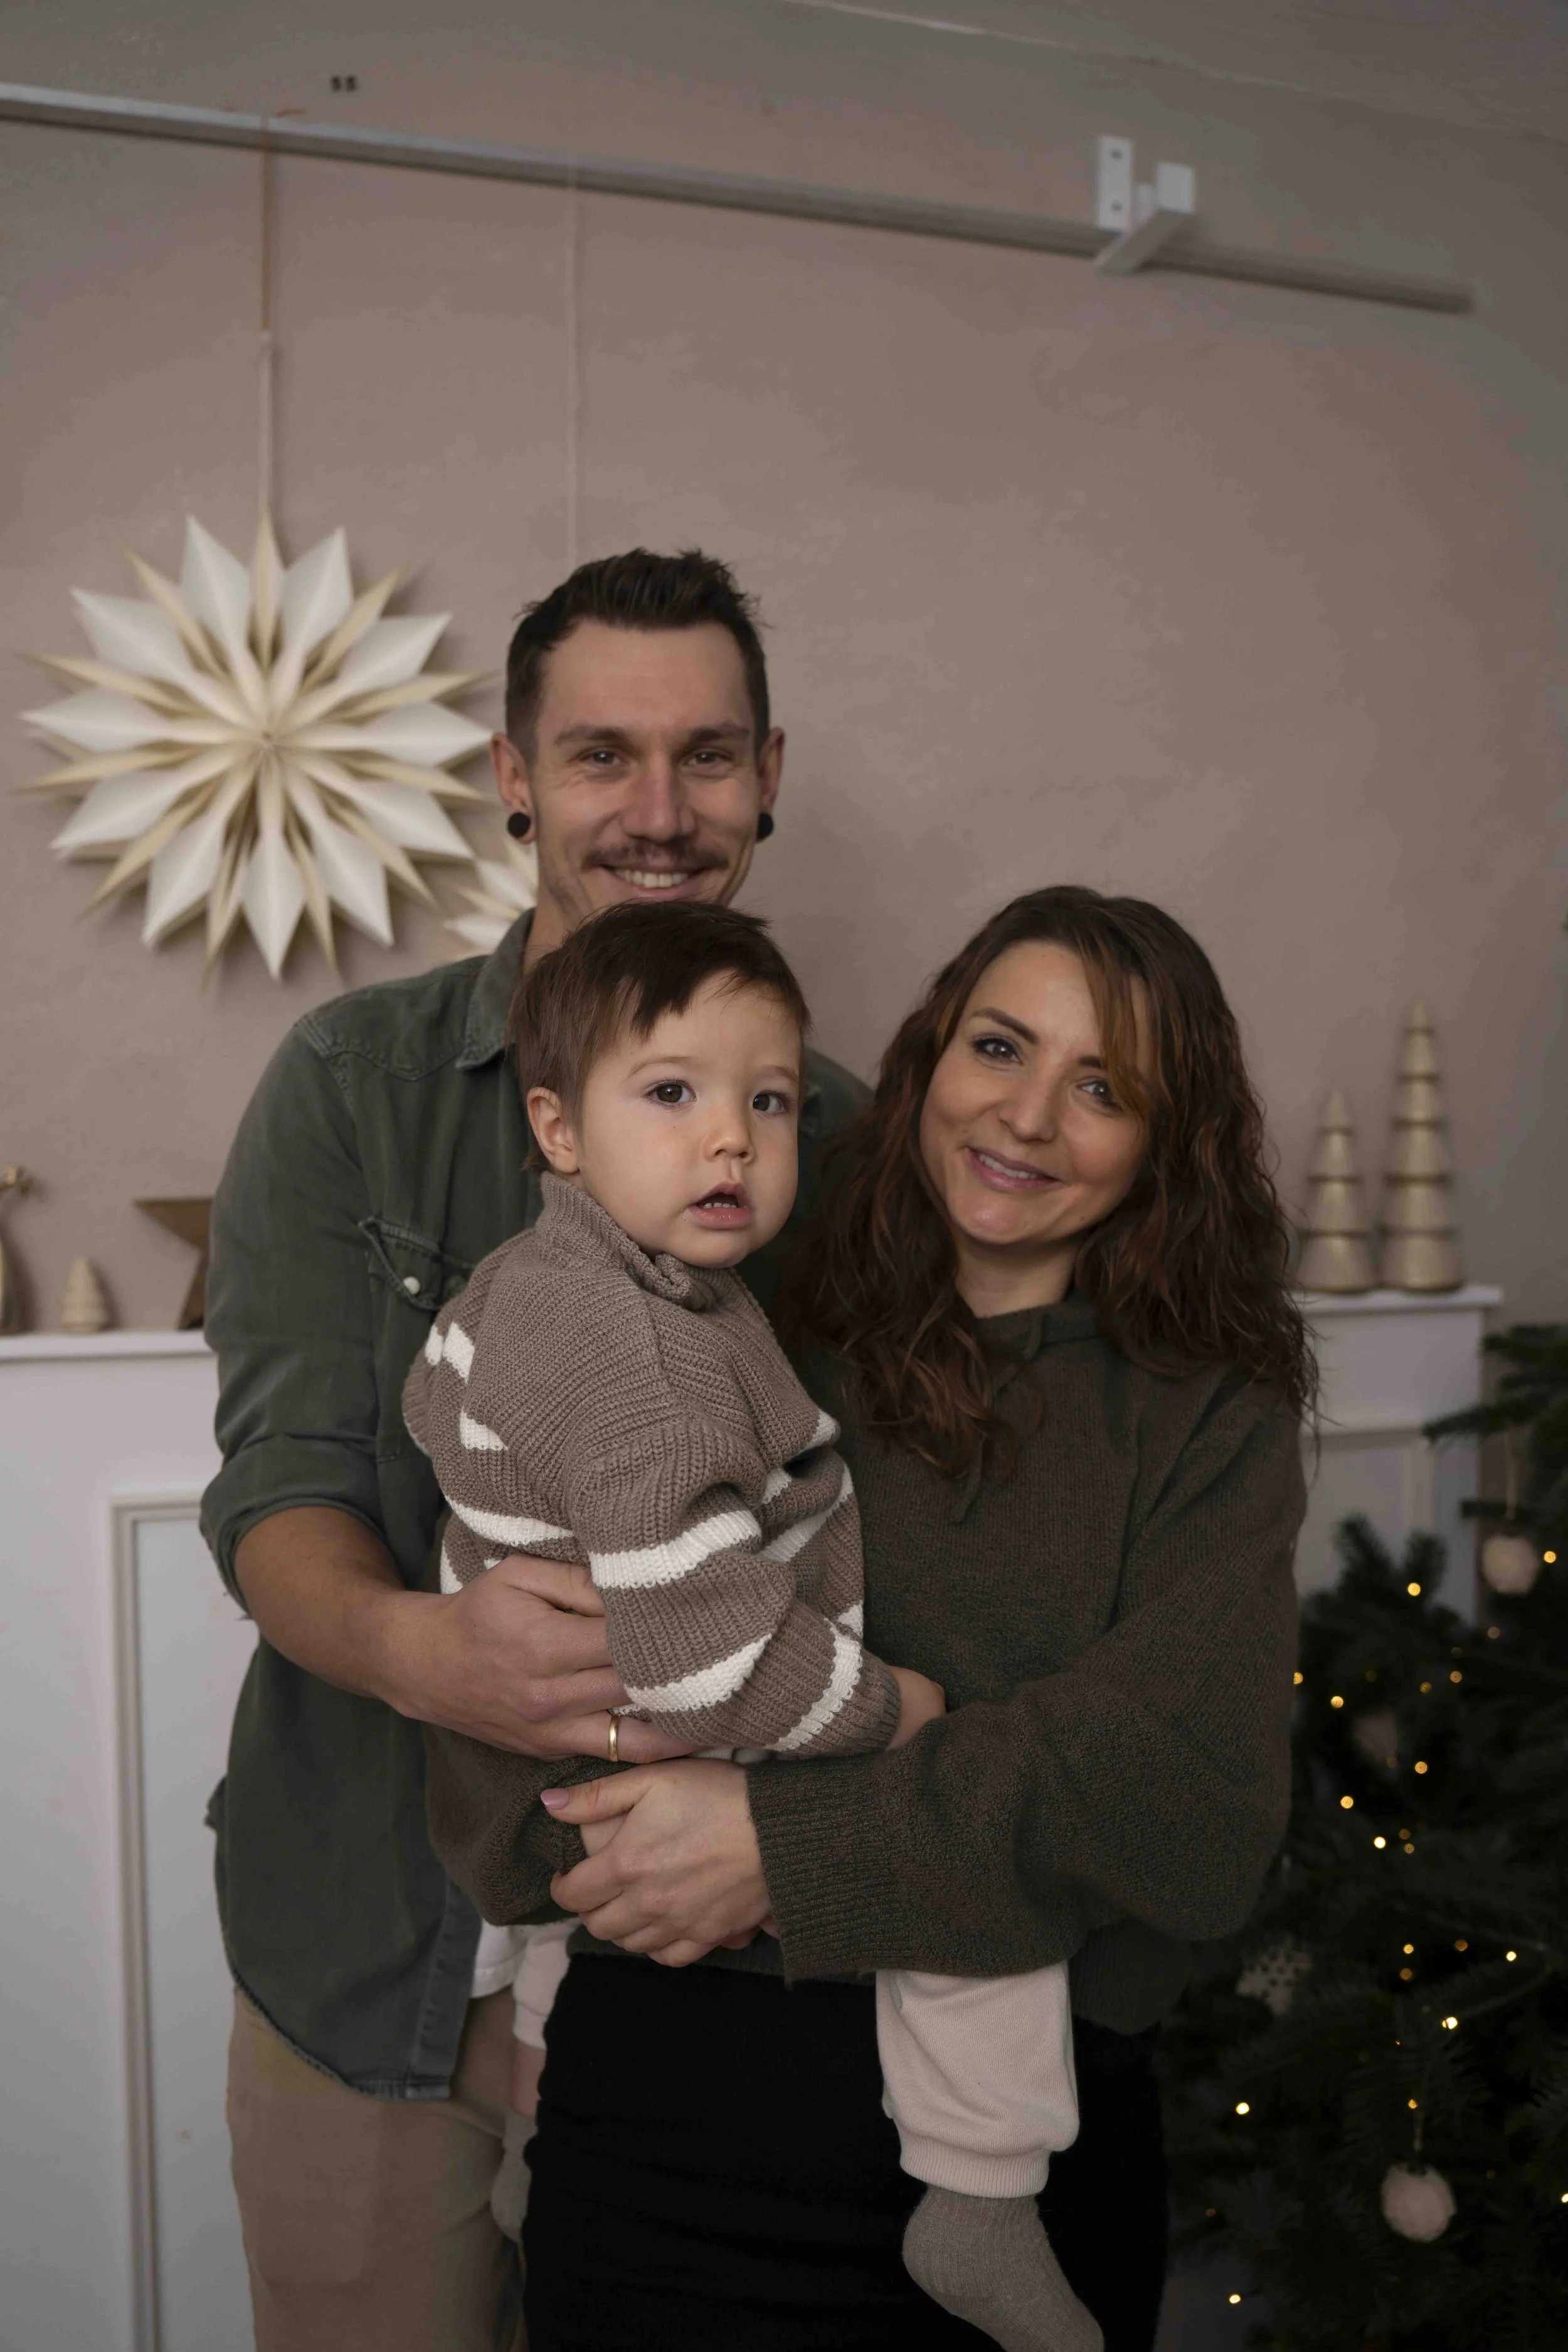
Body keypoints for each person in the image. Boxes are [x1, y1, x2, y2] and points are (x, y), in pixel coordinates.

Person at [436, 884, 1313, 2352]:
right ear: (929, 1054)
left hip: (1022, 2156)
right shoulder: (732, 1308)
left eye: (1101, 1088)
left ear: (1169, 1139)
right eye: (998, 1047)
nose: (1026, 1116)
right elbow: (541, 1686)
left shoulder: (1205, 1409)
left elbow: (1188, 1795)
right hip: (665, 2122)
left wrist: (780, 1843)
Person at [199, 549, 868, 2352]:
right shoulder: (355, 1083)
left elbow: (884, 1549)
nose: (657, 811)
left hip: (716, 1948)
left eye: (706, 756)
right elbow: (278, 1481)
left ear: (768, 774)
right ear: (512, 775)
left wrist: (795, 1815)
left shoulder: (847, 1142)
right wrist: (427, 1651)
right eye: (598, 756)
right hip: (370, 1928)